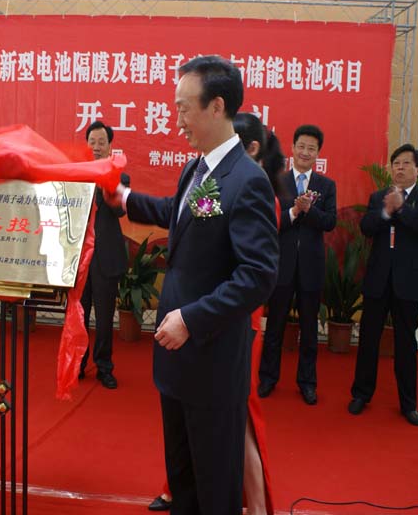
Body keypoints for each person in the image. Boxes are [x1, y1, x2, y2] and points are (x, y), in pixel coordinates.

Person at [109, 56, 279, 514]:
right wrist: (124, 198)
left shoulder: (247, 180)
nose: (177, 120)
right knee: (183, 479)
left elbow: (258, 275)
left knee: (215, 487)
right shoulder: (198, 169)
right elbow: (176, 214)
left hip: (212, 360)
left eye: (184, 108)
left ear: (216, 106)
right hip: (177, 359)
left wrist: (191, 319)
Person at [348, 143, 418, 426]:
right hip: (378, 279)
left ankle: (408, 404)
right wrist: (385, 212)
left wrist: (401, 208)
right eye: (395, 163)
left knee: (405, 344)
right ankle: (361, 394)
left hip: (408, 282)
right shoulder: (379, 197)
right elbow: (366, 227)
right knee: (368, 340)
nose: (399, 168)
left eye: (405, 163)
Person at [258, 124, 336, 405]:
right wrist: (293, 210)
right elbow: (269, 221)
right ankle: (268, 378)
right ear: (292, 148)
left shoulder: (326, 186)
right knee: (275, 327)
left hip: (311, 268)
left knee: (309, 330)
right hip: (282, 265)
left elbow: (330, 222)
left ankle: (307, 382)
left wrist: (309, 210)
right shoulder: (277, 181)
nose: (305, 152)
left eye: (311, 148)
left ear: (318, 153)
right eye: (301, 146)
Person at [78, 121, 130, 389]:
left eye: (101, 142)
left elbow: (120, 211)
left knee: (105, 318)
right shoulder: (76, 176)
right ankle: (78, 363)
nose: (96, 147)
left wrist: (103, 182)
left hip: (105, 257)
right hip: (79, 259)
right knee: (78, 316)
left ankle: (104, 367)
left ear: (110, 146)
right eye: (92, 142)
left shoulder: (120, 177)